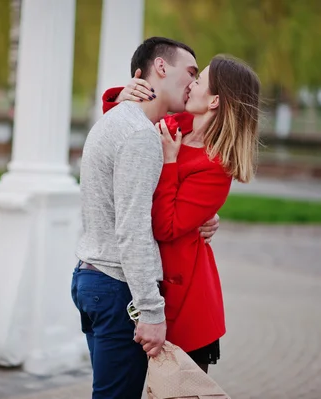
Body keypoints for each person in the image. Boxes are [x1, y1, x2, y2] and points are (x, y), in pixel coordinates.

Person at [72, 37, 220, 399]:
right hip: (118, 286)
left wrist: (206, 212)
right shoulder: (142, 136)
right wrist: (151, 312)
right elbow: (134, 229)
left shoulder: (129, 123)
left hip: (92, 275)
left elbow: (205, 137)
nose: (192, 83)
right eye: (190, 73)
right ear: (161, 68)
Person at [102, 54, 261, 373]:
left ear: (214, 100)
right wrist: (122, 95)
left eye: (198, 81)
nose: (191, 85)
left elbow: (166, 227)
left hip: (186, 301)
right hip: (149, 288)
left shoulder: (217, 166)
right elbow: (121, 131)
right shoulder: (174, 126)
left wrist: (170, 162)